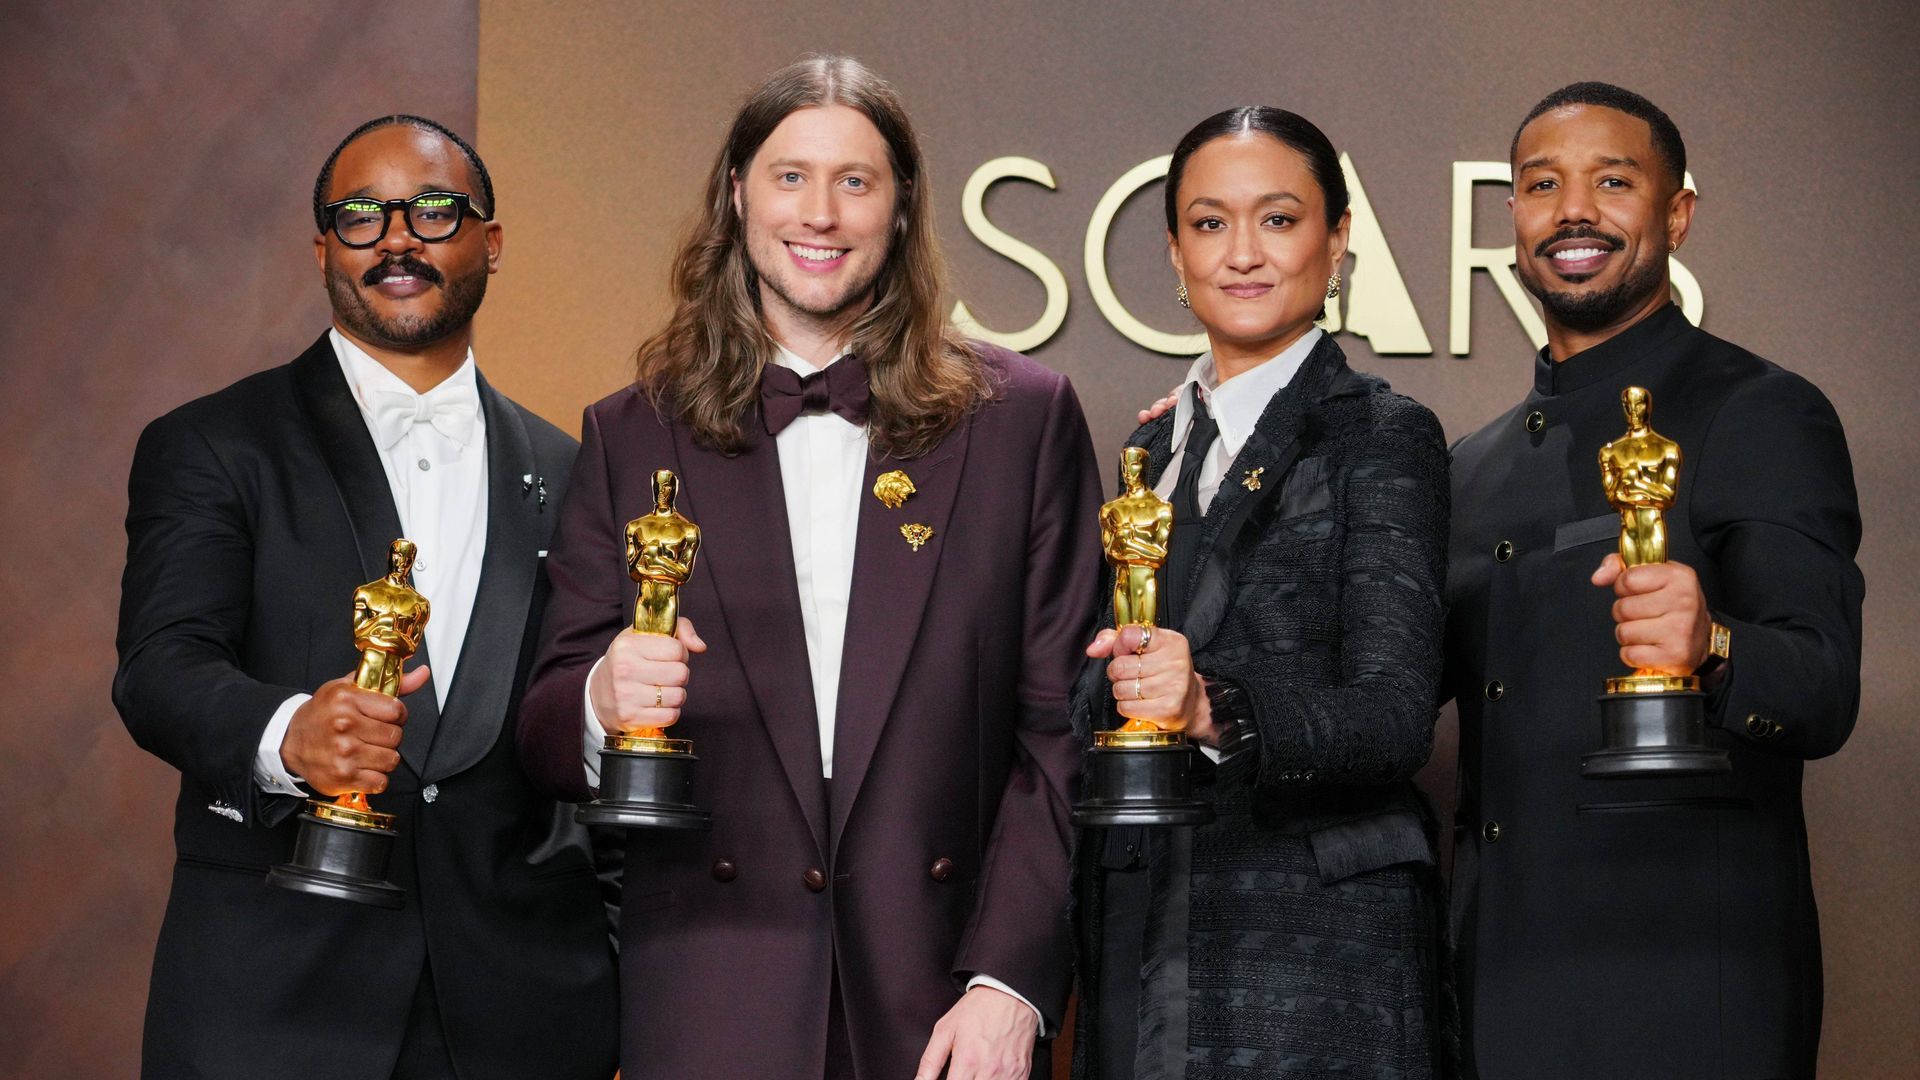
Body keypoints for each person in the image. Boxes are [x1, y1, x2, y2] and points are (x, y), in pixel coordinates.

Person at [513, 55, 1102, 1080]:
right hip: (708, 993)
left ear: (904, 207)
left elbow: (1062, 732)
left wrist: (1009, 986)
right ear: (736, 195)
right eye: (790, 177)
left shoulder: (1023, 420)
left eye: (856, 181)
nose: (819, 214)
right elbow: (543, 732)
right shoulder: (630, 432)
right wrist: (603, 700)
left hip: (944, 1006)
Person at [114, 115, 617, 1080]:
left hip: (523, 1012)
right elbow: (159, 668)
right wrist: (288, 732)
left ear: (492, 242)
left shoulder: (574, 468)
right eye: (360, 216)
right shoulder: (213, 444)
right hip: (271, 1005)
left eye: (434, 211)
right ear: (322, 250)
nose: (397, 238)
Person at [1444, 83, 1864, 1078]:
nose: (1574, 210)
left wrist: (1713, 645)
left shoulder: (1761, 410)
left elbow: (1823, 686)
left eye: (1613, 180)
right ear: (1512, 221)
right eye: (1543, 185)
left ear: (1677, 212)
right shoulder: (1469, 464)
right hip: (1492, 988)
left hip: (1681, 994)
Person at [1076, 106, 1450, 1079]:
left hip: (1313, 957)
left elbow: (1396, 714)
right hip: (1141, 928)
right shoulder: (1146, 451)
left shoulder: (1382, 434)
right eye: (1209, 223)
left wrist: (1213, 707)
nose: (1242, 252)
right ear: (1172, 249)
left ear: (1337, 238)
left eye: (1278, 220)